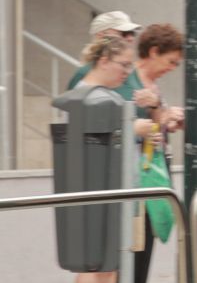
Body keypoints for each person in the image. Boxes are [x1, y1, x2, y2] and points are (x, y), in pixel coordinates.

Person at [65, 35, 161, 283]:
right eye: (123, 65)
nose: (127, 73)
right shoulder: (85, 94)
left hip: (111, 192)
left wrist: (140, 133)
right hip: (97, 193)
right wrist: (133, 129)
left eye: (130, 66)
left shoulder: (105, 95)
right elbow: (90, 141)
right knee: (97, 267)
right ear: (104, 61)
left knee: (108, 267)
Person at [130, 24, 185, 283]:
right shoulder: (129, 81)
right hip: (135, 181)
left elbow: (154, 126)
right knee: (132, 256)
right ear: (153, 52)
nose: (172, 68)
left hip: (153, 176)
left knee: (143, 255)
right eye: (171, 61)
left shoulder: (153, 86)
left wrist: (167, 122)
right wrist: (159, 119)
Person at [66, 11, 142, 88]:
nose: (130, 38)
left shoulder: (130, 72)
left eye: (132, 33)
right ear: (101, 36)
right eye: (124, 33)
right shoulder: (85, 73)